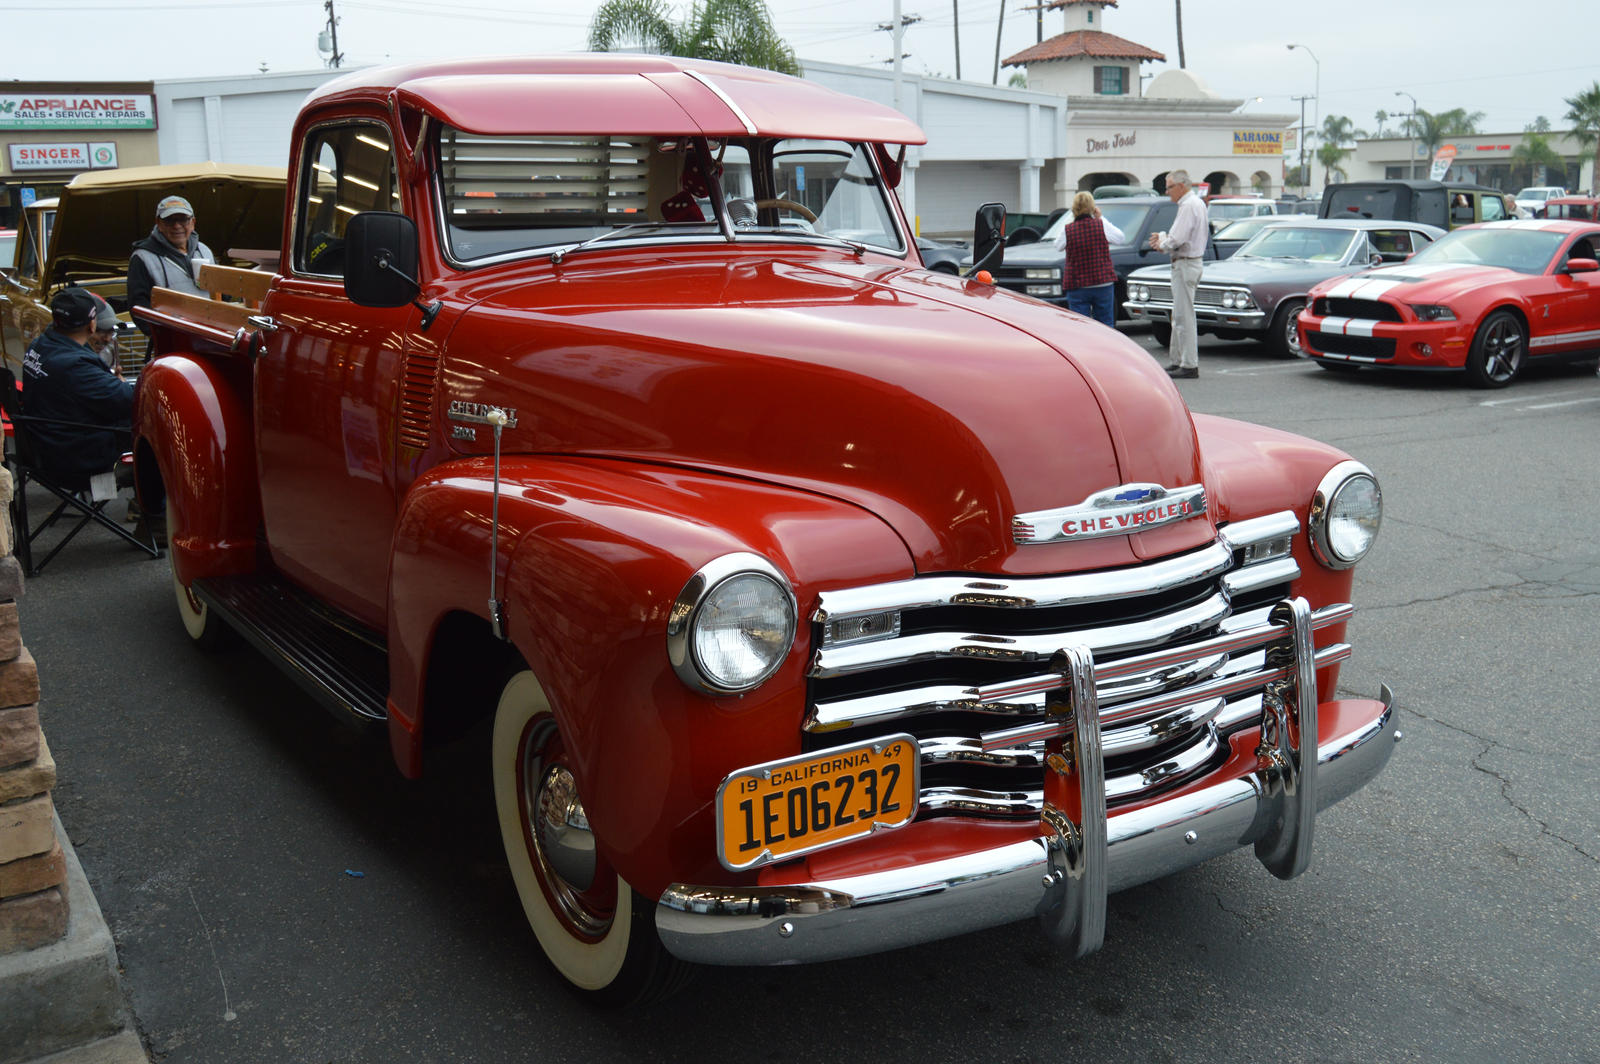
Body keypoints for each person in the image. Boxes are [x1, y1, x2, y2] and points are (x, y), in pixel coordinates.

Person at [18, 288, 135, 487]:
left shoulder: (39, 345)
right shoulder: (74, 365)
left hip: (46, 446)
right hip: (77, 461)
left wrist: (104, 381)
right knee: (161, 442)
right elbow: (129, 400)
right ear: (91, 325)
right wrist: (120, 384)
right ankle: (156, 514)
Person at [1148, 169, 1209, 379]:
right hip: (1186, 263)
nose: (1167, 192)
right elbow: (1180, 236)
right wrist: (1165, 238)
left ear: (1181, 186)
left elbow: (1178, 239)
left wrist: (1162, 243)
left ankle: (1189, 363)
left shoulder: (1188, 205)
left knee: (1184, 316)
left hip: (1185, 263)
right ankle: (1177, 360)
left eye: (1169, 187)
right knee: (1179, 315)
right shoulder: (1194, 204)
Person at [127, 194, 216, 330]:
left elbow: (222, 292)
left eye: (183, 220)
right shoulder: (142, 257)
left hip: (212, 334)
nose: (177, 226)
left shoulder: (205, 251)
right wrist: (161, 335)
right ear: (159, 223)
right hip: (173, 339)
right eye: (169, 220)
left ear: (193, 223)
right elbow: (138, 306)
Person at [1053, 191, 1124, 327]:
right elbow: (1120, 237)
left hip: (1077, 284)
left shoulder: (1068, 229)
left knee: (1080, 325)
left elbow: (1058, 246)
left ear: (1074, 209)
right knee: (1105, 323)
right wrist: (1101, 218)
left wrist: (1072, 220)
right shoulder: (1101, 225)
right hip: (1102, 282)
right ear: (1093, 208)